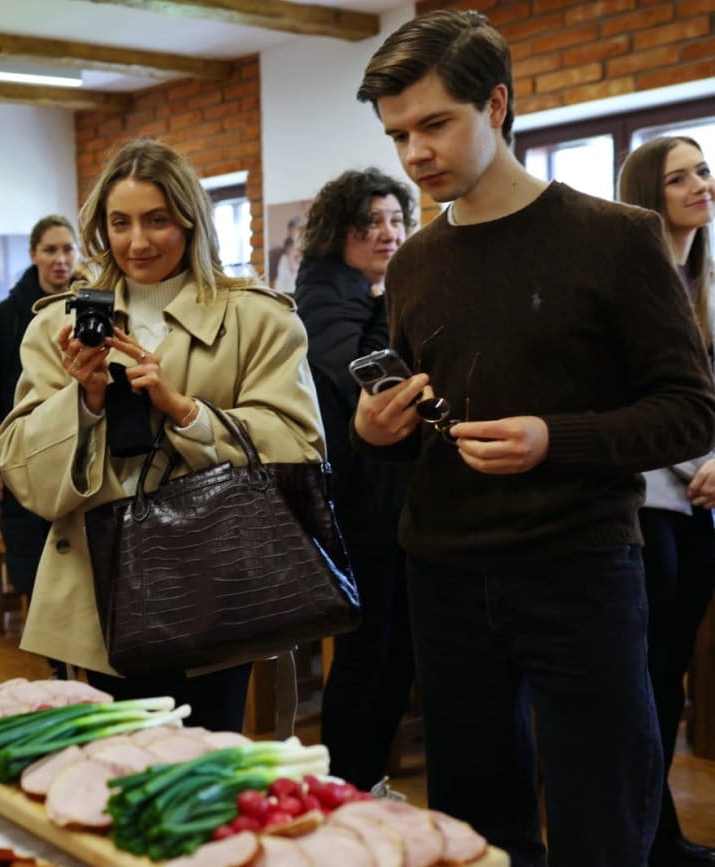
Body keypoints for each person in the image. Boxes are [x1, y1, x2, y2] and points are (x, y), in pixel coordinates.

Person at [353, 11, 715, 866]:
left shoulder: (617, 238)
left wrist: (557, 438)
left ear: (498, 104)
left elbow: (691, 410)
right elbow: (422, 422)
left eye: (435, 124)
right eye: (398, 134)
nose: (415, 155)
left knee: (601, 817)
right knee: (477, 825)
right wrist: (381, 431)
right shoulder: (412, 264)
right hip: (443, 573)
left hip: (579, 568)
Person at [0, 138, 327, 732]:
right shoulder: (58, 326)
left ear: (192, 222)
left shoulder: (257, 318)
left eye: (158, 220)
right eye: (119, 223)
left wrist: (184, 411)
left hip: (215, 578)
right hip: (94, 588)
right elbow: (25, 469)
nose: (137, 242)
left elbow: (298, 450)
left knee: (202, 758)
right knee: (108, 764)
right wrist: (86, 400)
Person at [294, 167, 415, 790]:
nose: (387, 233)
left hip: (380, 499)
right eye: (371, 222)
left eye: (396, 219)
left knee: (392, 654)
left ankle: (361, 782)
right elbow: (357, 376)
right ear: (339, 230)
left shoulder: (361, 290)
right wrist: (392, 303)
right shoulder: (324, 290)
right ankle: (346, 784)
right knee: (371, 657)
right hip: (356, 505)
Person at [619, 136, 715, 867]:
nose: (699, 185)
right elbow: (648, 400)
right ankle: (648, 838)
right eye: (679, 177)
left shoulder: (707, 279)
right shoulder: (633, 272)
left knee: (673, 671)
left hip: (702, 500)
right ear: (649, 192)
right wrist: (702, 456)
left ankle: (662, 835)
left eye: (704, 170)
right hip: (647, 499)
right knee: (645, 677)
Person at [0, 215, 78, 618]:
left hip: (79, 454)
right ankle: (55, 667)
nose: (60, 259)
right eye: (50, 250)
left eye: (67, 249)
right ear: (34, 254)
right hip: (25, 458)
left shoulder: (94, 305)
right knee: (33, 567)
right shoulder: (6, 317)